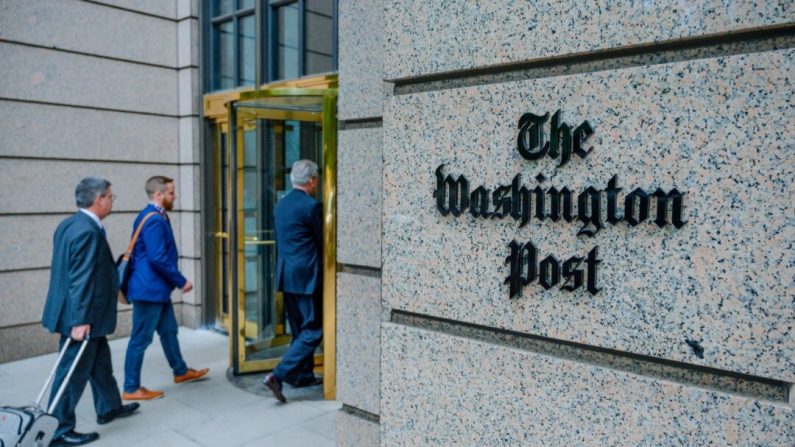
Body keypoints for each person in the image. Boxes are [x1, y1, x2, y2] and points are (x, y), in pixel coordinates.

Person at [41, 177, 139, 447]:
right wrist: (80, 320)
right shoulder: (87, 231)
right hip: (83, 316)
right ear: (99, 199)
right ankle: (58, 430)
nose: (111, 200)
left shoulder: (70, 224)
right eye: (111, 196)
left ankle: (109, 407)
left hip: (86, 314)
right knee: (72, 373)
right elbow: (80, 279)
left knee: (100, 365)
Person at [122, 176, 208, 400]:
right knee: (140, 339)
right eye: (171, 193)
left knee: (169, 331)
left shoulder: (154, 216)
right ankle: (131, 388)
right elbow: (157, 258)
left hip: (156, 290)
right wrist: (181, 281)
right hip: (149, 290)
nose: (174, 196)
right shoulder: (153, 220)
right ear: (158, 195)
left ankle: (180, 371)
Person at [263, 160, 324, 403]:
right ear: (312, 181)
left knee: (299, 328)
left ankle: (302, 375)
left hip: (287, 275)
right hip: (308, 275)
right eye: (316, 179)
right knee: (314, 329)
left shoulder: (281, 204)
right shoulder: (312, 206)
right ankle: (278, 375)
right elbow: (322, 240)